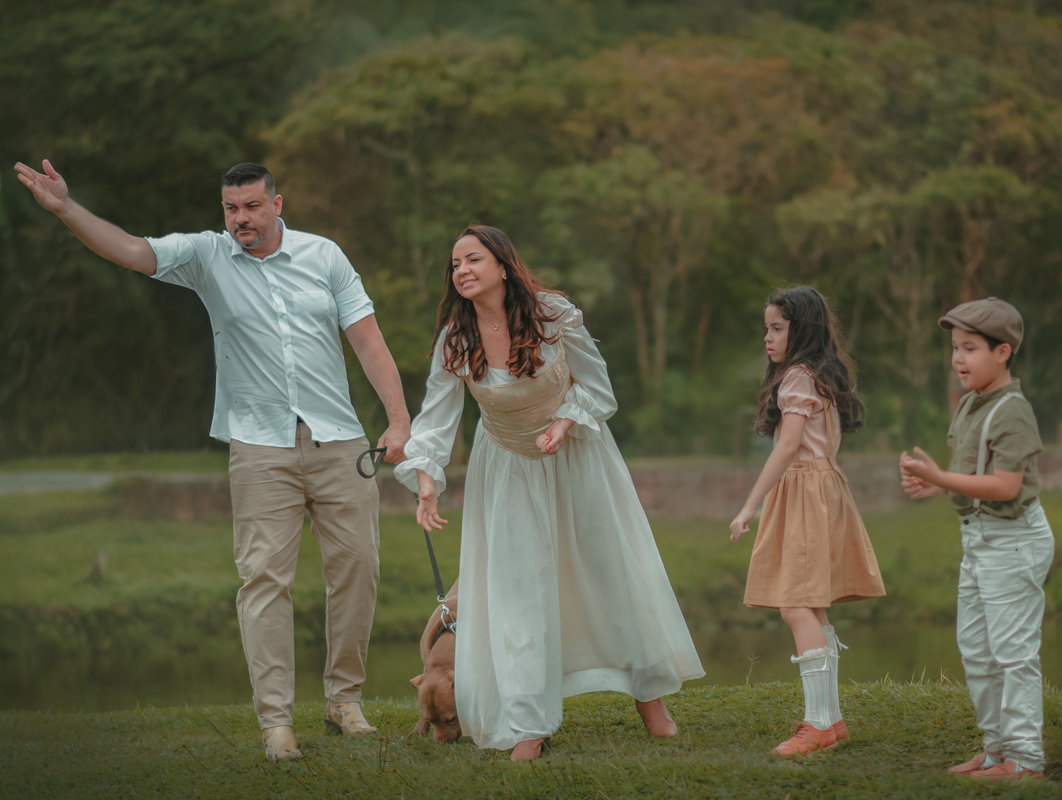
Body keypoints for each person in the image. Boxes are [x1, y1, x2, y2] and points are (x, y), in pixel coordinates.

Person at [13, 159, 411, 762]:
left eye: (252, 206)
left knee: (359, 569)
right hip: (258, 448)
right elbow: (129, 250)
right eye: (231, 208)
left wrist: (400, 419)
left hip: (340, 441)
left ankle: (343, 702)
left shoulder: (325, 256)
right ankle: (276, 724)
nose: (240, 219)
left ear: (278, 205)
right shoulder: (206, 255)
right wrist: (67, 209)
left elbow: (368, 342)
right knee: (263, 581)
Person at [395, 225, 704, 761]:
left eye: (472, 259)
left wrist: (564, 424)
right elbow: (437, 419)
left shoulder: (552, 314)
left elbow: (597, 387)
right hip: (508, 469)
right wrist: (426, 481)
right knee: (520, 593)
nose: (461, 271)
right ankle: (528, 724)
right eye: (454, 265)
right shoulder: (455, 337)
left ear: (502, 263)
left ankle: (651, 699)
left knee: (609, 573)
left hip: (577, 456)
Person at [899, 297, 1052, 781]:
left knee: (1013, 654)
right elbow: (970, 475)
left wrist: (942, 479)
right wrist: (934, 483)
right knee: (977, 651)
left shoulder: (1013, 411)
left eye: (970, 348)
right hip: (979, 539)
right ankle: (995, 751)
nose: (958, 359)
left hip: (1013, 540)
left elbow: (1006, 486)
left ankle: (1026, 760)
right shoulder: (970, 404)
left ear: (1002, 352)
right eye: (954, 348)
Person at [729, 286, 885, 757]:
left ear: (802, 330)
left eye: (777, 328)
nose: (767, 338)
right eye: (767, 328)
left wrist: (749, 506)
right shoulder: (820, 374)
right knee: (811, 605)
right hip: (824, 490)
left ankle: (818, 724)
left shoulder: (797, 377)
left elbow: (788, 446)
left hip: (804, 491)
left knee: (796, 603)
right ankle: (830, 720)